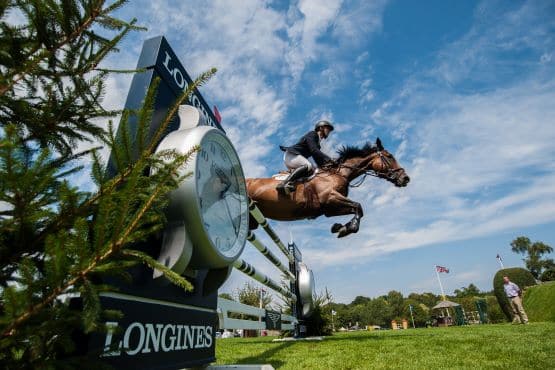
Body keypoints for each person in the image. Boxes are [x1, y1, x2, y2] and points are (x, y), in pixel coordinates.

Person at [276, 120, 335, 193]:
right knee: (308, 165)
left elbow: (317, 159)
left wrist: (327, 166)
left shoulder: (318, 144)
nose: (329, 131)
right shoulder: (313, 134)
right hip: (292, 155)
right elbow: (314, 150)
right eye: (327, 128)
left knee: (315, 171)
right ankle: (283, 184)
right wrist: (329, 159)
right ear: (321, 128)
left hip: (296, 158)